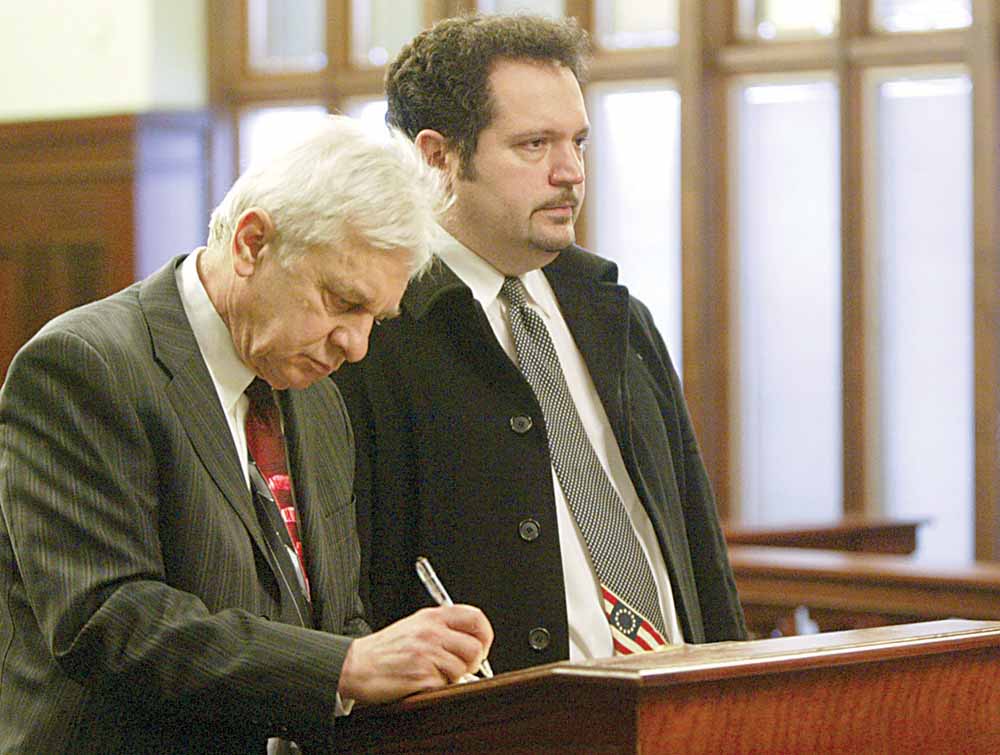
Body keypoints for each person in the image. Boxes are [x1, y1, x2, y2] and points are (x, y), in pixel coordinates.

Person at [0, 115, 492, 753]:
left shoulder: (317, 401)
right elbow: (108, 618)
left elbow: (333, 616)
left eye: (376, 315)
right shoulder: (86, 365)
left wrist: (406, 667)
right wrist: (346, 667)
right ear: (252, 243)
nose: (358, 344)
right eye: (343, 302)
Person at [334, 14, 746, 675]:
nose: (570, 172)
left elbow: (699, 548)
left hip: (677, 701)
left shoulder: (616, 313)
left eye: (578, 141)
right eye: (534, 145)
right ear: (436, 156)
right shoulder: (371, 337)